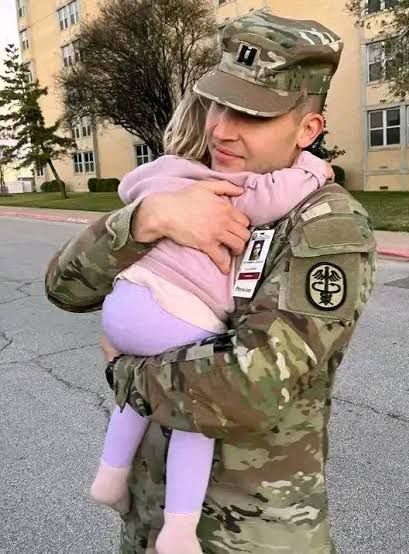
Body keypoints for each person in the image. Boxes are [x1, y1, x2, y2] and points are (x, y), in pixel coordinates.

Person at [45, 11, 376, 554]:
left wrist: (125, 372)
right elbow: (65, 289)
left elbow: (253, 387)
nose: (221, 128)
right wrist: (146, 220)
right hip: (148, 516)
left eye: (252, 115)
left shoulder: (325, 224)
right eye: (219, 104)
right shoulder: (186, 184)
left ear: (307, 129)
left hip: (246, 534)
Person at [90, 113, 333, 554]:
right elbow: (269, 198)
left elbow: (126, 191)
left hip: (123, 305)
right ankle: (180, 530)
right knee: (198, 410)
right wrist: (313, 169)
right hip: (174, 312)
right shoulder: (217, 187)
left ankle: (110, 476)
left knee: (135, 397)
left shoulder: (153, 179)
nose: (224, 135)